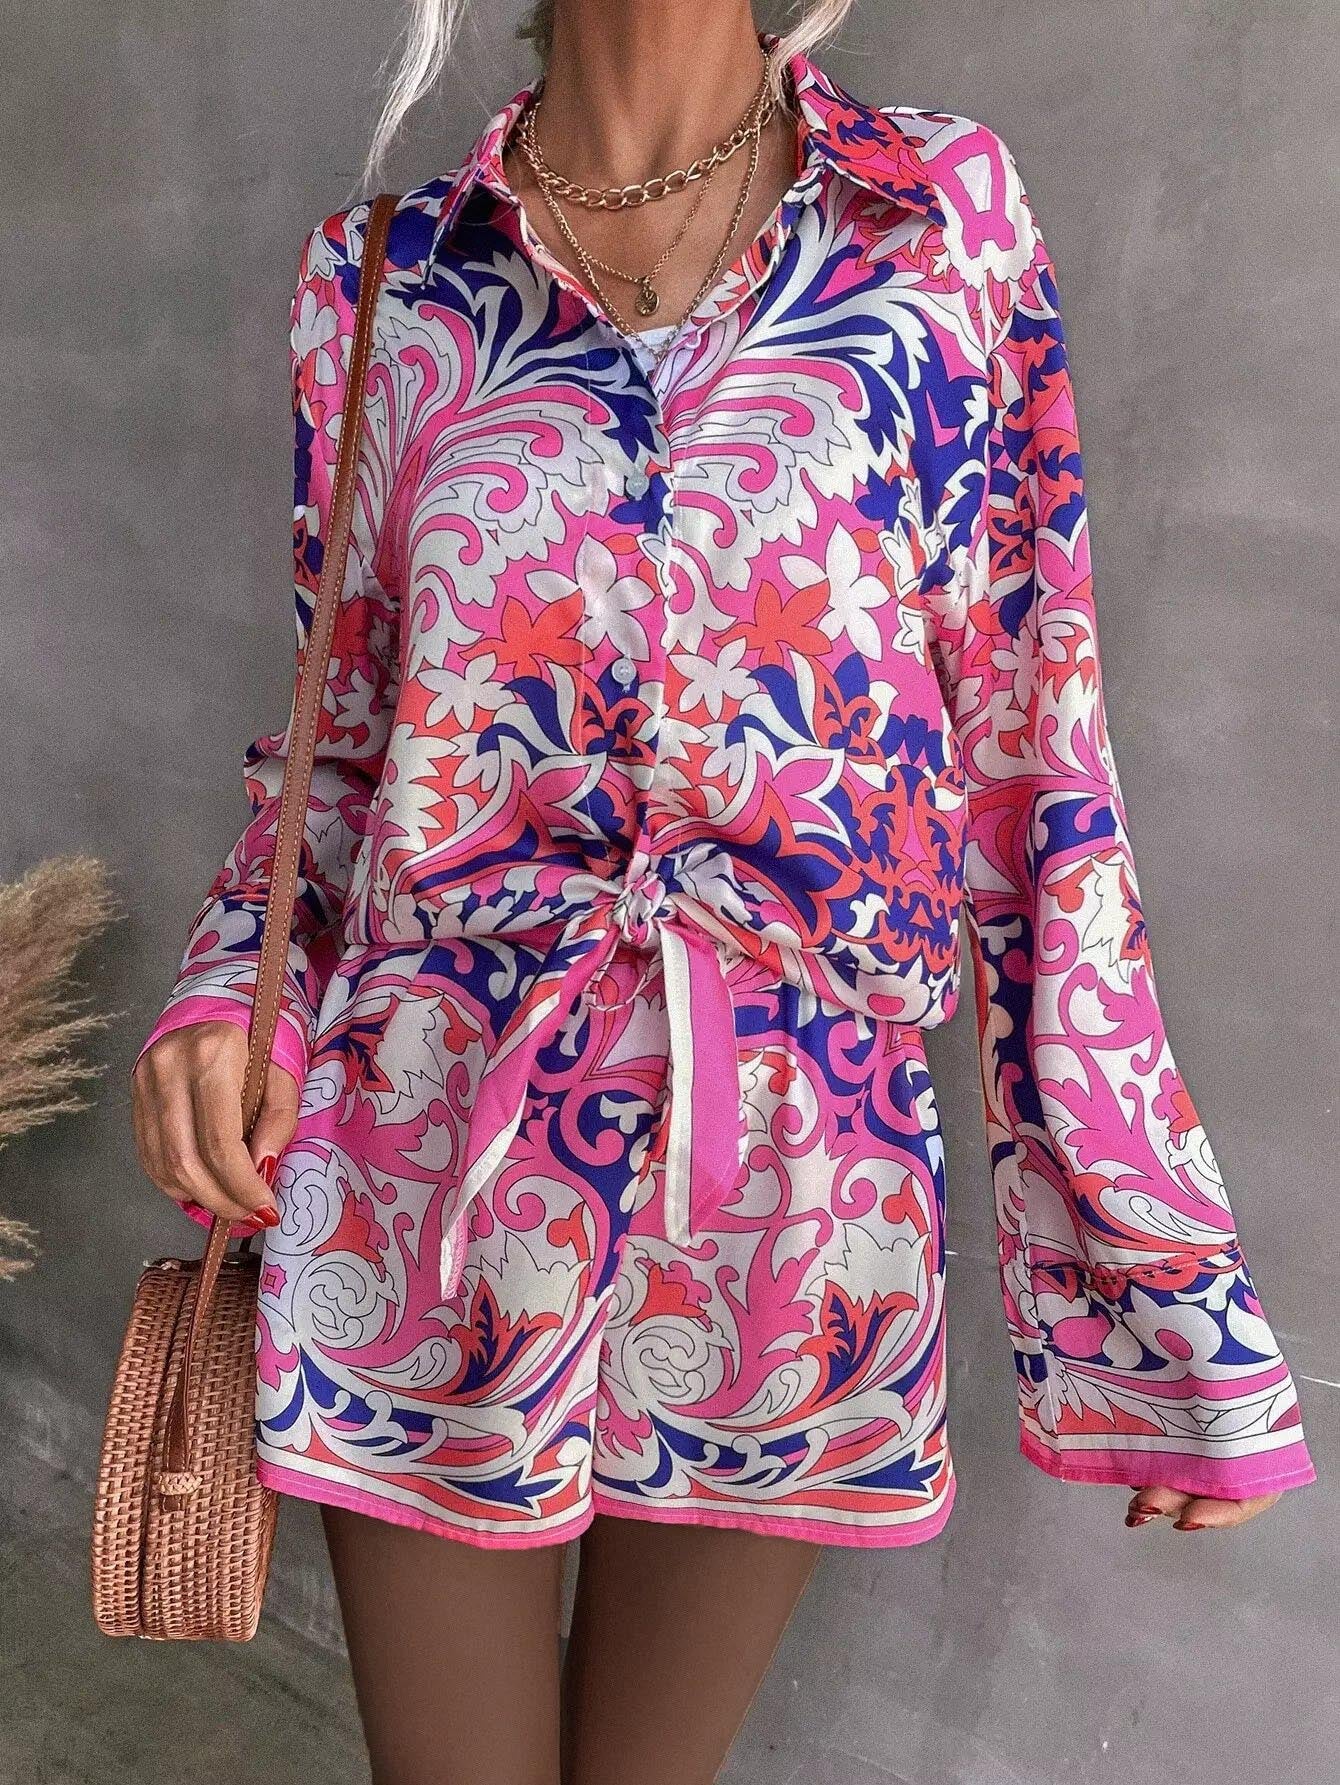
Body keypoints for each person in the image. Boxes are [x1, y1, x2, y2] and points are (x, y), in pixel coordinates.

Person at [130, 3, 1316, 1780]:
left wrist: (1163, 1290)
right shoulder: (381, 281)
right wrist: (234, 990)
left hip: (797, 1194)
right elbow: (342, 756)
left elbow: (1037, 764)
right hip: (429, 1160)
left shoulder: (941, 226)